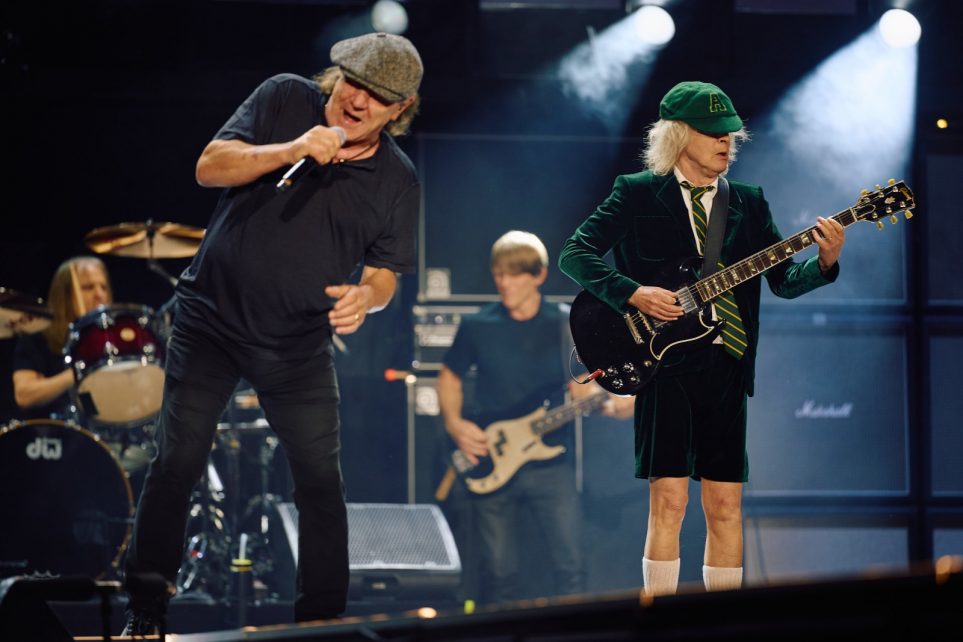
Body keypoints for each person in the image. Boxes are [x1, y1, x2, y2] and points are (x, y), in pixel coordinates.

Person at [121, 32, 423, 633]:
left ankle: (321, 624)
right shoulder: (285, 98)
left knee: (320, 484)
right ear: (337, 75)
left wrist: (367, 297)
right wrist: (294, 148)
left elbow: (386, 272)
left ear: (399, 110)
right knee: (177, 458)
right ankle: (146, 610)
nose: (357, 100)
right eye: (353, 83)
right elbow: (210, 166)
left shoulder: (397, 179)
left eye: (376, 96)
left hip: (296, 346)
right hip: (210, 321)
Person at [558, 81, 846, 596]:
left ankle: (722, 625)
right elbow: (574, 254)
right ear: (679, 134)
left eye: (730, 133)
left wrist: (825, 262)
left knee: (726, 507)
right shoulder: (637, 191)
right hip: (661, 364)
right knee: (669, 502)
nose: (725, 141)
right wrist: (633, 293)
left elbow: (783, 282)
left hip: (727, 362)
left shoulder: (749, 202)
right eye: (713, 132)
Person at [438, 230, 633, 604]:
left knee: (570, 567)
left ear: (539, 275)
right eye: (499, 274)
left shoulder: (564, 324)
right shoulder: (478, 325)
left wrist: (612, 404)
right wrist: (455, 424)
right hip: (492, 456)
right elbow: (449, 377)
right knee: (499, 574)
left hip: (550, 463)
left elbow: (581, 389)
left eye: (514, 274)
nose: (505, 283)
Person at [12, 256, 111, 420]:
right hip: (52, 431)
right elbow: (24, 396)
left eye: (103, 287)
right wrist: (79, 372)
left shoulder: (109, 341)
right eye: (88, 287)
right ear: (65, 295)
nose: (99, 295)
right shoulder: (38, 337)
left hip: (100, 430)